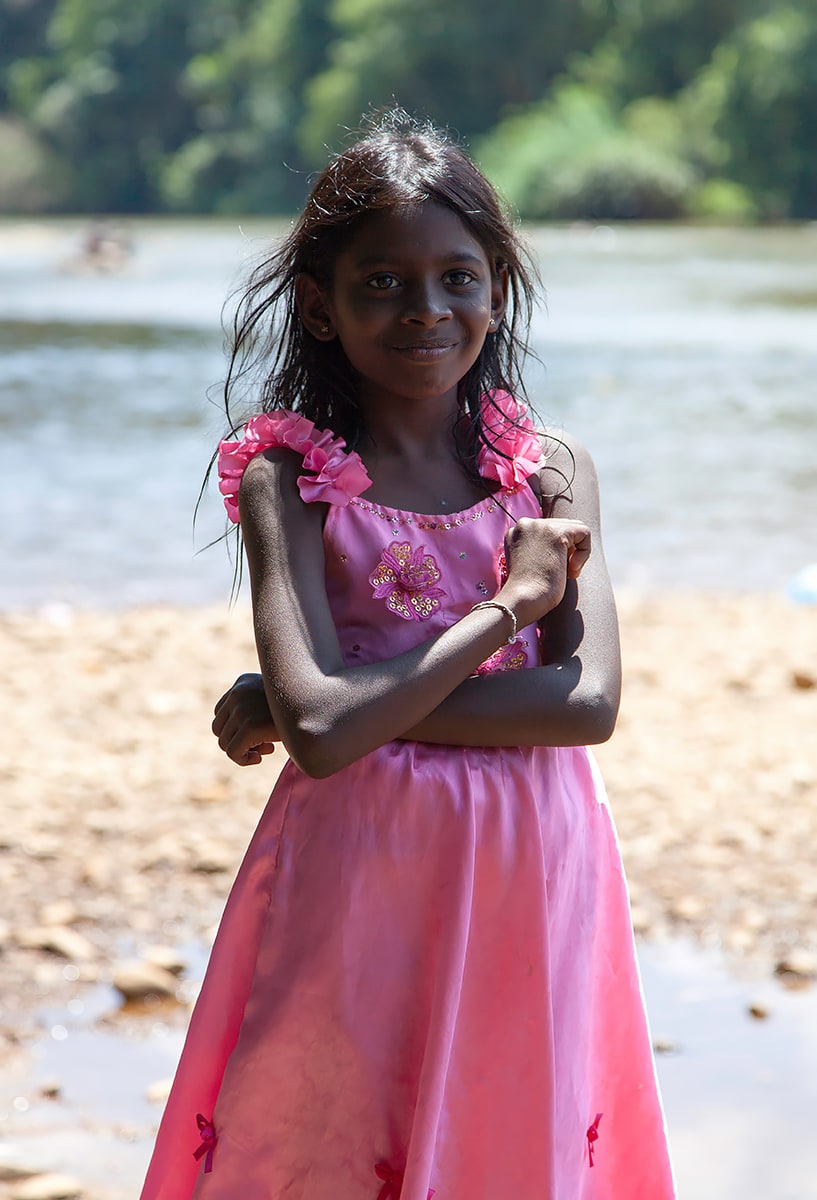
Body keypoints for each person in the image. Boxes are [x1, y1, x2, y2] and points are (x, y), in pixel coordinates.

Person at [141, 109, 675, 1199]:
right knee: (327, 1129)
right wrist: (503, 615)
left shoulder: (550, 469)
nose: (425, 310)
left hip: (533, 857)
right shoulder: (283, 480)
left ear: (495, 288)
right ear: (319, 306)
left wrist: (309, 702)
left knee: (503, 1126)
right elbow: (329, 739)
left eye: (458, 278)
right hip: (357, 862)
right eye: (380, 282)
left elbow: (585, 706)